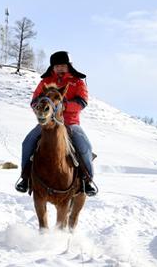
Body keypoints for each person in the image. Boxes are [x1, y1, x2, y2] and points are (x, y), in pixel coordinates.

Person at [15, 51, 98, 196]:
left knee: (85, 146)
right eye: (56, 66)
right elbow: (35, 101)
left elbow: (82, 102)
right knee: (27, 142)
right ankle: (25, 178)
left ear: (69, 66)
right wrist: (41, 112)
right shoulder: (45, 82)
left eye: (62, 65)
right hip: (47, 123)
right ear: (52, 67)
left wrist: (64, 106)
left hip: (70, 123)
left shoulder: (77, 82)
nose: (59, 68)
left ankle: (87, 180)